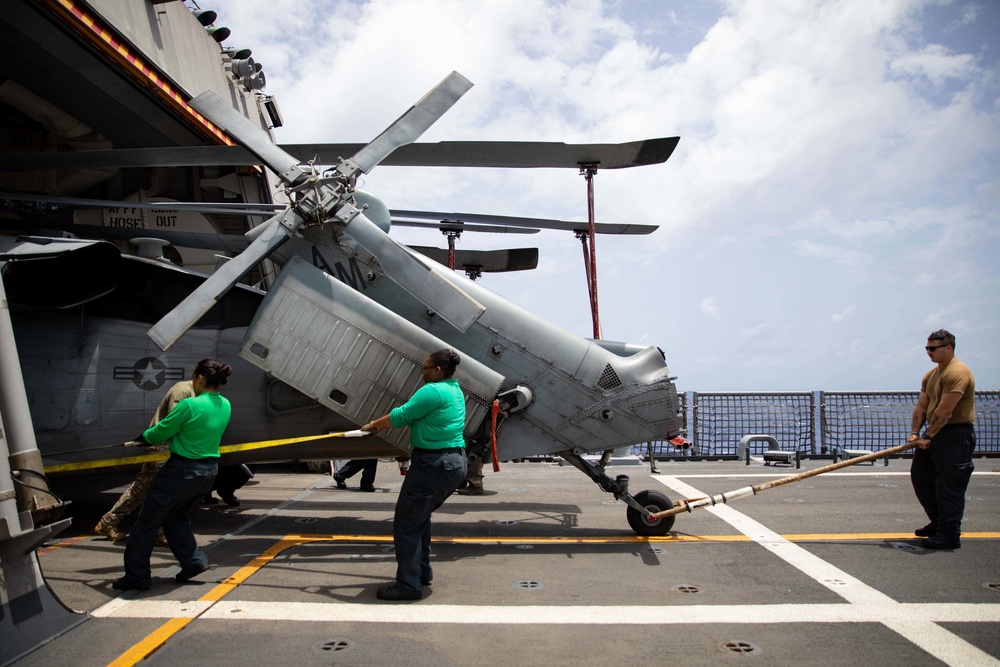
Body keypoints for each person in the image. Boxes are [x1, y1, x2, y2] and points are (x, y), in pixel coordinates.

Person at [112, 359, 233, 591]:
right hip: (208, 472)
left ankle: (137, 576)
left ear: (199, 378)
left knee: (147, 522)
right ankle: (193, 562)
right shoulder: (225, 404)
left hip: (182, 470)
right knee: (176, 518)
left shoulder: (190, 405)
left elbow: (161, 432)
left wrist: (143, 437)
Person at [361, 349, 467, 601]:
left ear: (437, 370)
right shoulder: (454, 390)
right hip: (453, 461)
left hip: (432, 464)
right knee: (419, 518)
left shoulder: (432, 391)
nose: (422, 371)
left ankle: (409, 585)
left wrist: (373, 425)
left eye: (425, 367)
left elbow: (402, 416)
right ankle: (420, 572)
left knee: (407, 523)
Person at [95, 379, 195, 545]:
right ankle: (113, 522)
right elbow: (175, 421)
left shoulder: (191, 392)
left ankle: (109, 522)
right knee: (154, 489)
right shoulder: (182, 391)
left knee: (151, 489)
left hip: (168, 444)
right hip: (162, 445)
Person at [907, 330, 976, 550]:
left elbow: (945, 411)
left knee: (950, 486)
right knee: (921, 477)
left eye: (933, 348)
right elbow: (922, 406)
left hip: (955, 435)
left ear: (948, 348)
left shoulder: (957, 372)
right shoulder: (931, 375)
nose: (929, 352)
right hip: (933, 434)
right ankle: (938, 522)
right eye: (927, 348)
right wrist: (916, 433)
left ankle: (949, 534)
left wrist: (928, 436)